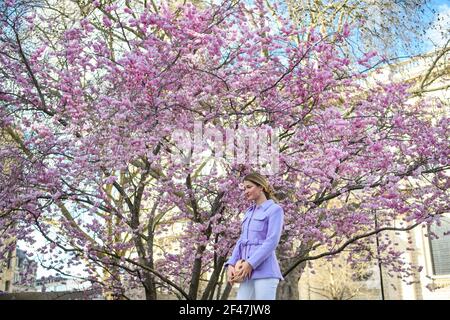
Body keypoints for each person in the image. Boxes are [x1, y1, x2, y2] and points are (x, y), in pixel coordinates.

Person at [224, 172, 284, 300]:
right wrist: (231, 264)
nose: (245, 191)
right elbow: (241, 241)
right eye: (244, 188)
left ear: (261, 187)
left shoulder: (275, 210)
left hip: (265, 271)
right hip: (246, 272)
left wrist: (251, 263)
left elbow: (272, 241)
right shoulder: (248, 213)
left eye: (249, 187)